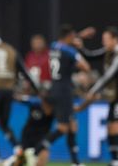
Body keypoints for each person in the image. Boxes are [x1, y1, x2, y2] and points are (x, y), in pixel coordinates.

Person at [30, 24, 90, 166]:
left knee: (72, 126)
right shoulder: (69, 51)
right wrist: (78, 50)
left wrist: (78, 36)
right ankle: (34, 152)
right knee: (63, 128)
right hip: (64, 91)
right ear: (69, 37)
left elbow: (65, 43)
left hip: (54, 88)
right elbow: (86, 67)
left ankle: (76, 163)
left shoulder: (54, 46)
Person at [0, 26, 38, 164]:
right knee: (4, 124)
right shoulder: (11, 50)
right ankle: (19, 150)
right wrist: (37, 89)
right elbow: (24, 70)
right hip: (8, 92)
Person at [75, 27, 118, 166]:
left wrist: (93, 90)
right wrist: (81, 47)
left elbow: (108, 76)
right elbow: (90, 56)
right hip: (114, 97)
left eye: (106, 40)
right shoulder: (108, 52)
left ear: (115, 39)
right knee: (109, 128)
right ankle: (115, 160)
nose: (103, 43)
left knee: (117, 127)